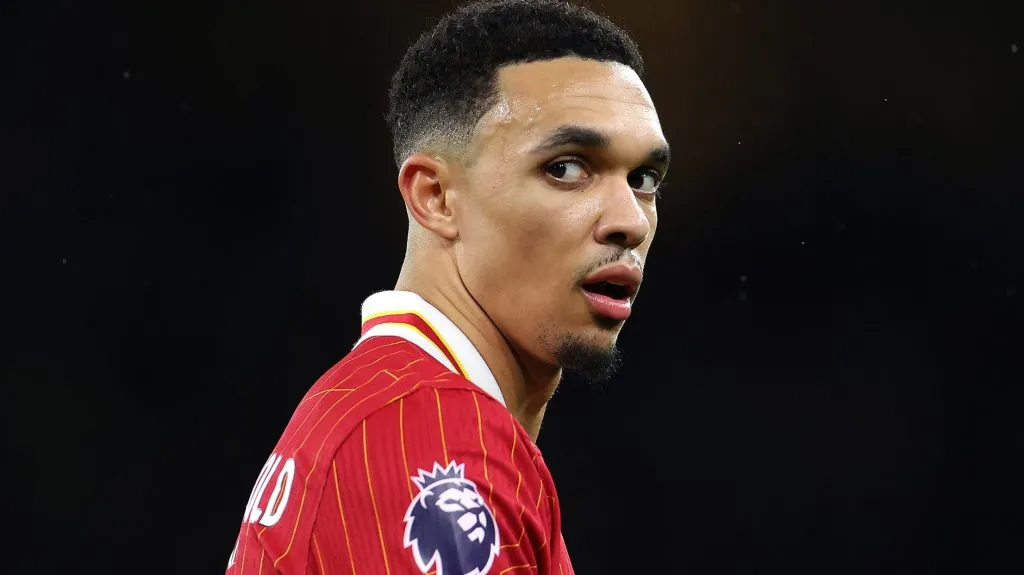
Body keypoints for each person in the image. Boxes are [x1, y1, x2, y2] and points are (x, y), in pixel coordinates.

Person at [225, 0, 669, 573]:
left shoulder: (383, 410)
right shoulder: (432, 449)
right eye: (566, 168)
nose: (630, 220)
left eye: (644, 179)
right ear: (434, 197)